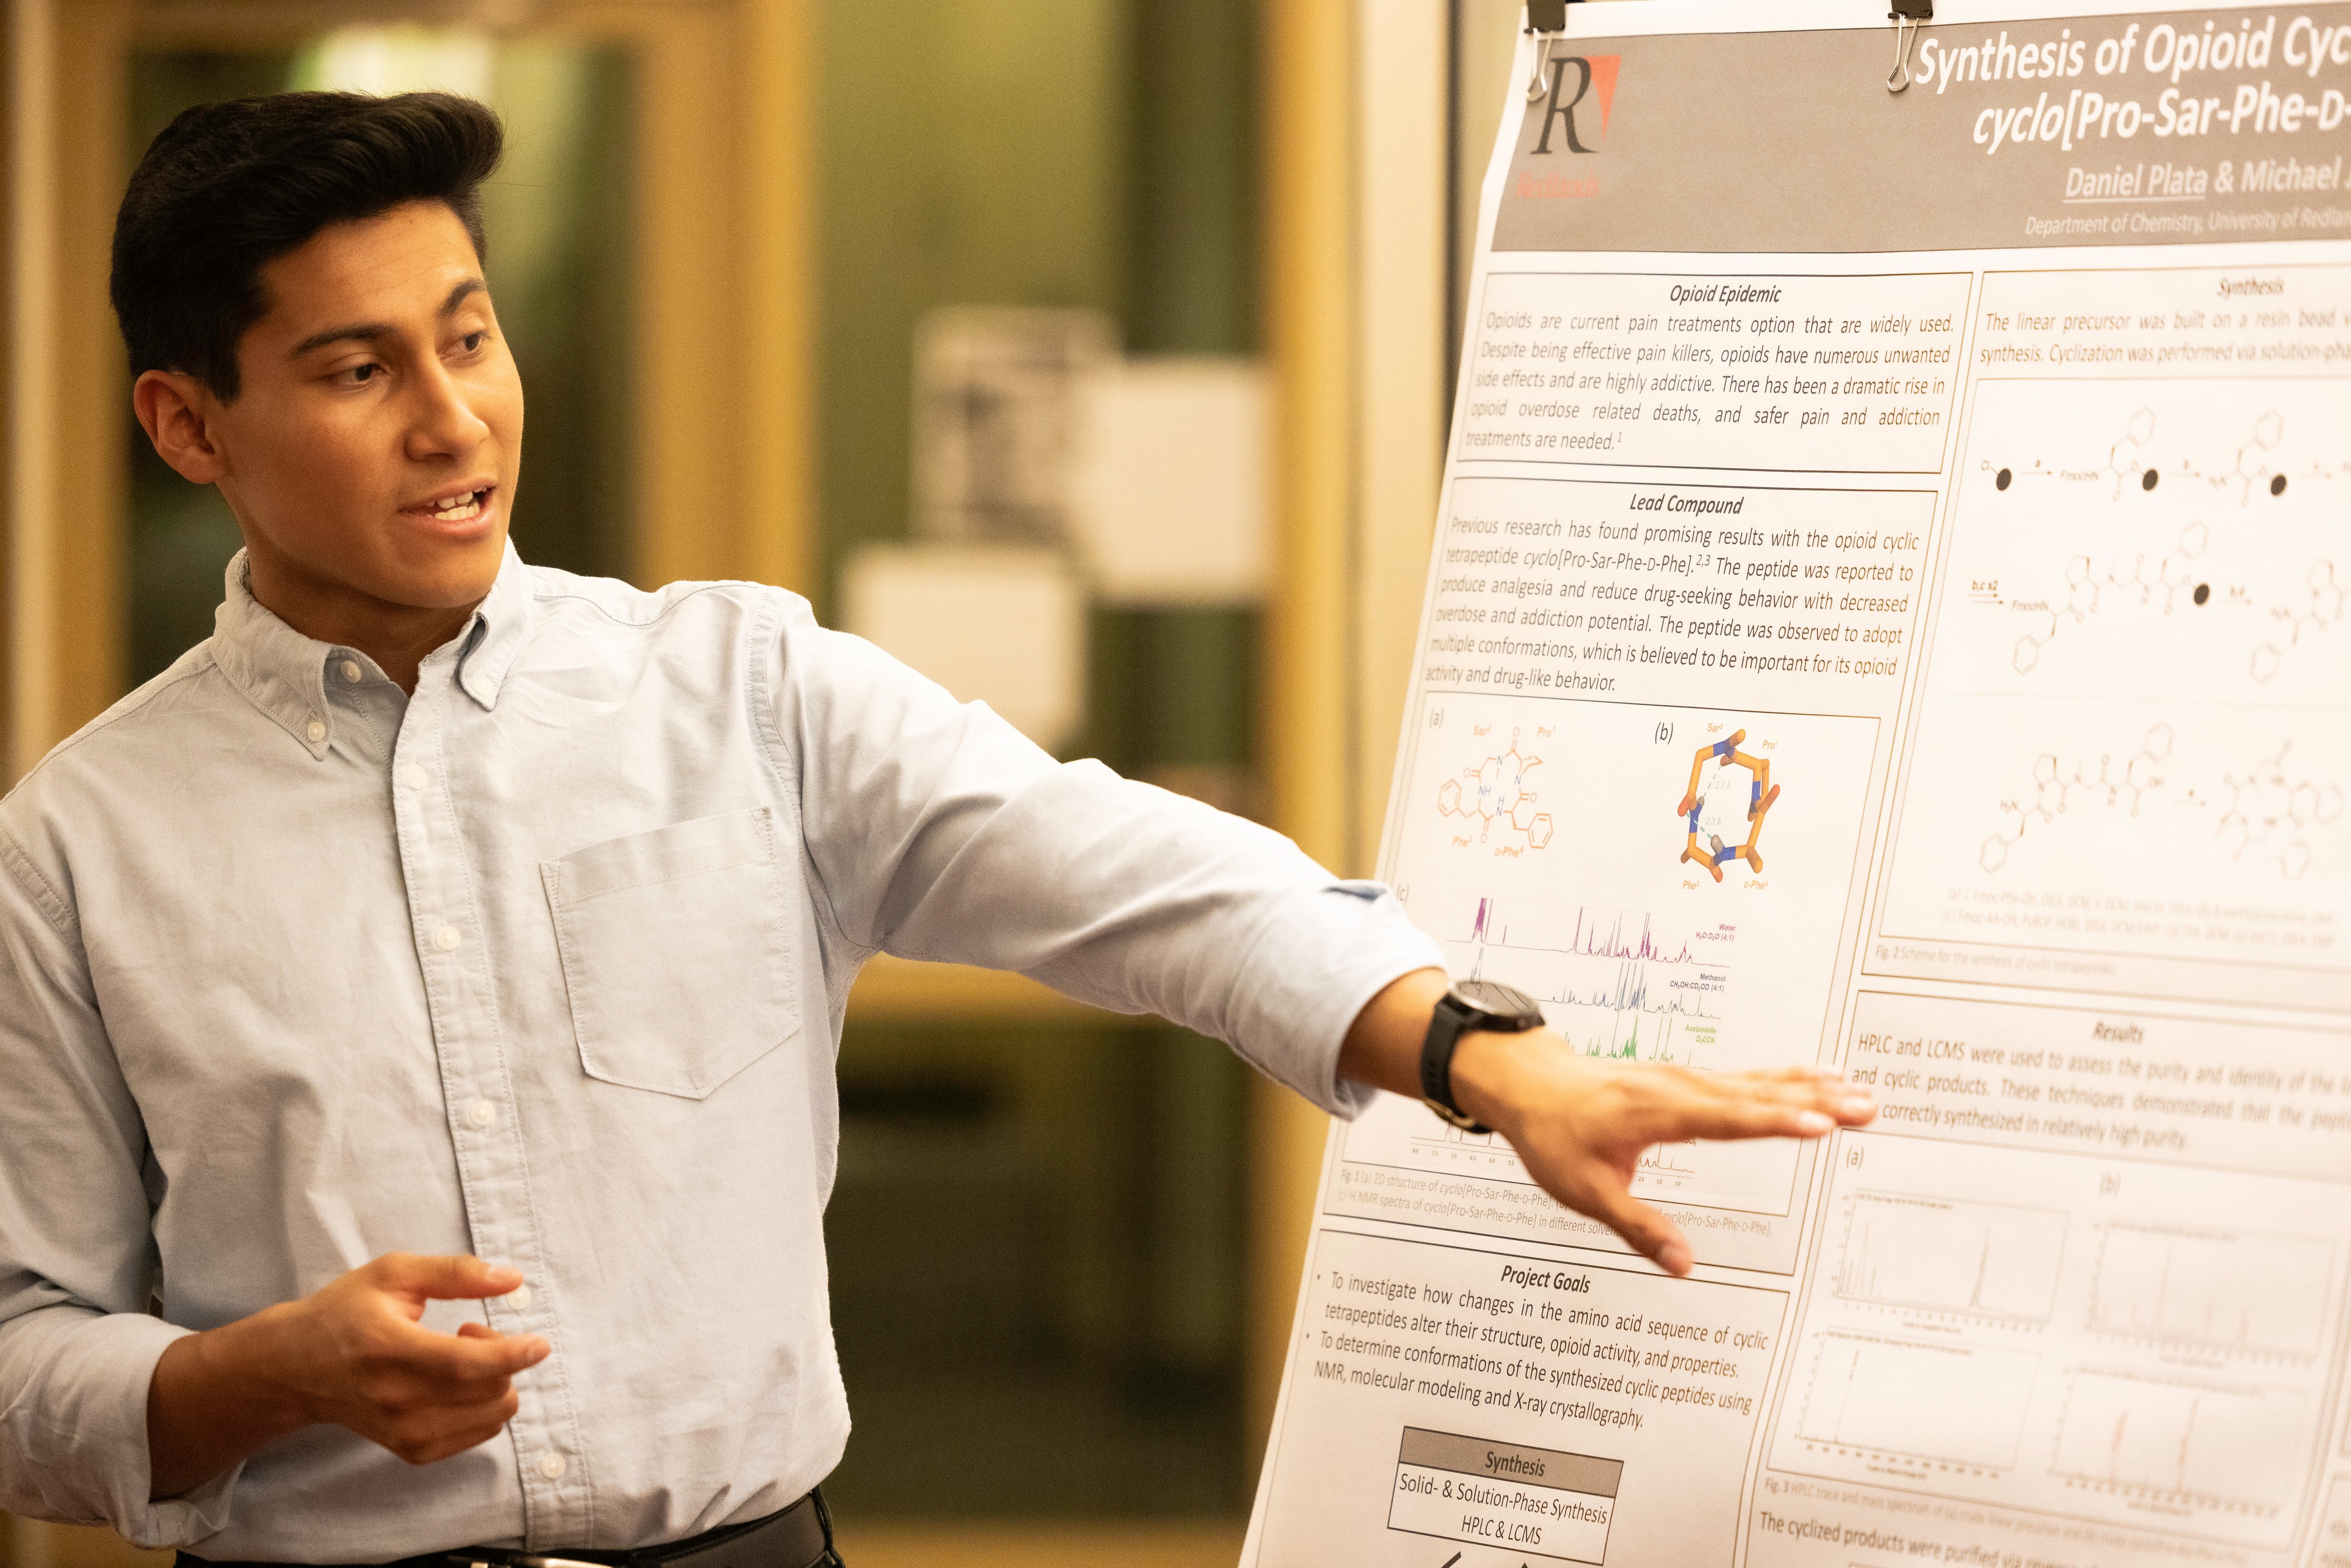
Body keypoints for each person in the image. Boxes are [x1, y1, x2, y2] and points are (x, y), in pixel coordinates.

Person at [0, 91, 1874, 1567]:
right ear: (188, 426)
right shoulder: (80, 846)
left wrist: (1478, 1052)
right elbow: (21, 1354)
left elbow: (1144, 882)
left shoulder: (739, 685)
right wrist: (249, 1380)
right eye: (356, 371)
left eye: (471, 338)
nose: (452, 416)